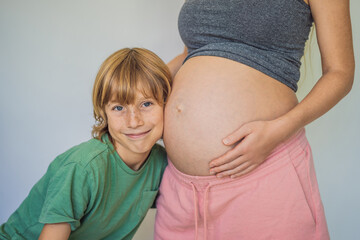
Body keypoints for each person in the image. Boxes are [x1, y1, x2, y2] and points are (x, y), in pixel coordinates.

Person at [155, 0, 354, 240]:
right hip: (181, 194)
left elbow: (340, 73)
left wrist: (279, 130)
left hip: (262, 177)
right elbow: (191, 53)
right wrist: (136, 90)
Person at [0, 47, 172, 240]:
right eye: (118, 107)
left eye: (146, 104)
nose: (134, 121)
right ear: (103, 112)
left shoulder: (161, 162)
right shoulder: (83, 169)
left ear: (168, 104)